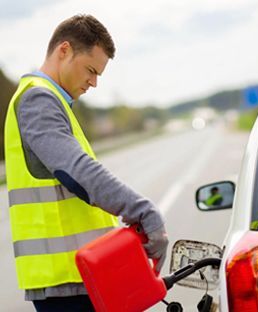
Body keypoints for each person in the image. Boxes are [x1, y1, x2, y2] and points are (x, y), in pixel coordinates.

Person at [4, 14, 168, 312]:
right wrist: (141, 210)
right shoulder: (38, 100)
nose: (93, 83)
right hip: (65, 283)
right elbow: (76, 170)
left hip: (83, 275)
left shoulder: (52, 100)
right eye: (91, 70)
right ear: (63, 50)